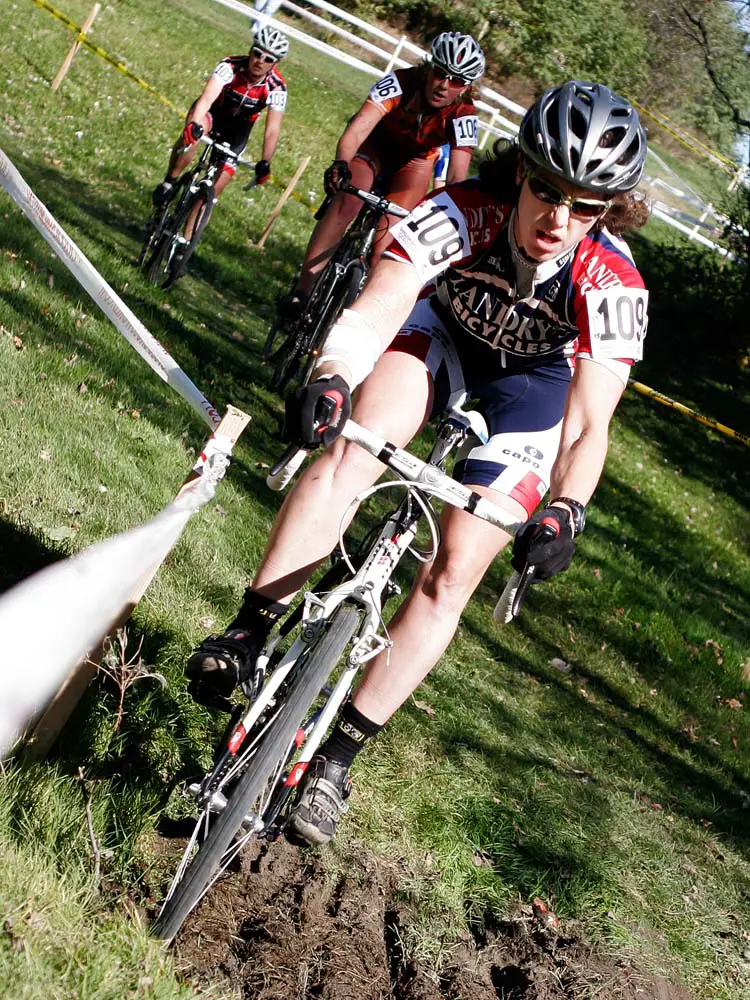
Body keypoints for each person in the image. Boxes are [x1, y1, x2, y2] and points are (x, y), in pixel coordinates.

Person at [187, 80, 650, 846]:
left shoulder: (613, 283)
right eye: (546, 190)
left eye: (586, 207)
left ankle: (336, 761)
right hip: (440, 343)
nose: (558, 220)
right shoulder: (464, 209)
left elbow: (588, 425)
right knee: (356, 444)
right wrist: (333, 373)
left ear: (609, 213)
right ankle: (245, 633)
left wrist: (567, 509)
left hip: (531, 395)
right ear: (520, 171)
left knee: (457, 568)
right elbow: (383, 301)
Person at [281, 31, 485, 317]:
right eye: (440, 73)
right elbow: (357, 129)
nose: (444, 85)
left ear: (466, 87)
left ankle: (355, 317)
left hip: (414, 163)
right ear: (429, 67)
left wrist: (455, 217)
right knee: (349, 200)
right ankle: (303, 290)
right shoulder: (401, 82)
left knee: (384, 248)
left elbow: (457, 176)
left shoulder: (465, 113)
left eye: (457, 81)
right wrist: (341, 163)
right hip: (375, 147)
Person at [150, 24, 289, 246]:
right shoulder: (230, 66)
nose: (259, 61)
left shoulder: (277, 88)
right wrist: (194, 124)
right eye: (257, 53)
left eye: (268, 59)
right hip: (212, 114)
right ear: (251, 50)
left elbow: (272, 129)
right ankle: (170, 181)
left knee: (212, 191)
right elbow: (207, 98)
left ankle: (184, 243)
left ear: (275, 64)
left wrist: (266, 161)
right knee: (193, 137)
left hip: (238, 131)